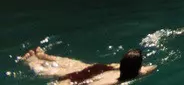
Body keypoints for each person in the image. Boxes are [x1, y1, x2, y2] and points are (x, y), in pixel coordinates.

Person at [20, 46, 153, 81]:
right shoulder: (118, 80)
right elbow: (150, 68)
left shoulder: (119, 67)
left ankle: (44, 57)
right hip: (91, 78)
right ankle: (32, 61)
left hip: (102, 68)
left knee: (73, 64)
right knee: (55, 72)